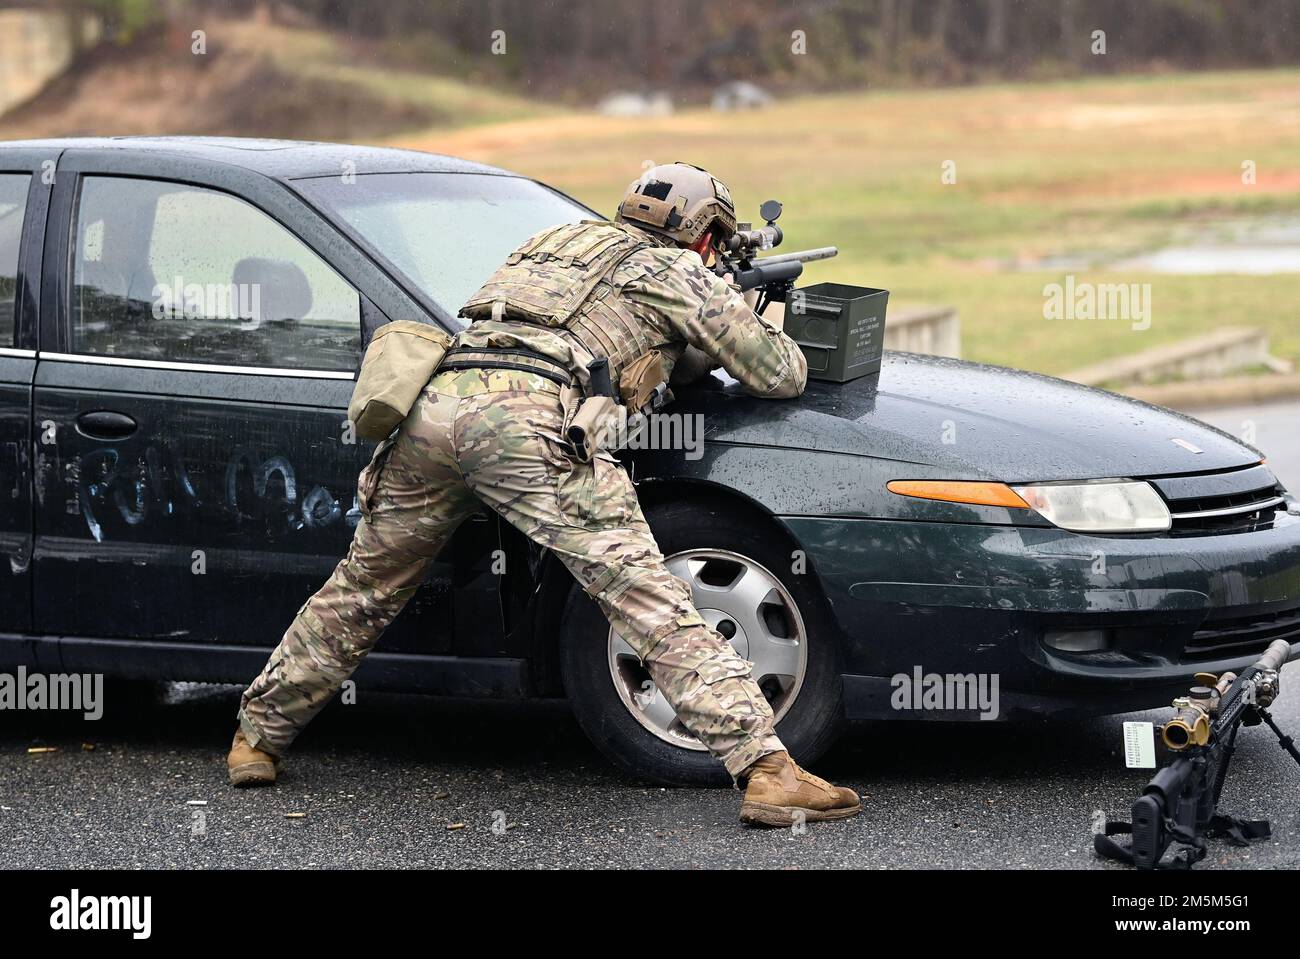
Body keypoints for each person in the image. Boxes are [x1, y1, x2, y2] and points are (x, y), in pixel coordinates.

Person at [227, 162, 860, 826]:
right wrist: (732, 303)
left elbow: (606, 333)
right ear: (705, 238)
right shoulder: (680, 272)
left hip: (435, 406)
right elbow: (779, 372)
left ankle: (257, 735)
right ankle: (766, 767)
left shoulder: (552, 243)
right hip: (530, 422)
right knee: (646, 595)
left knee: (363, 586)